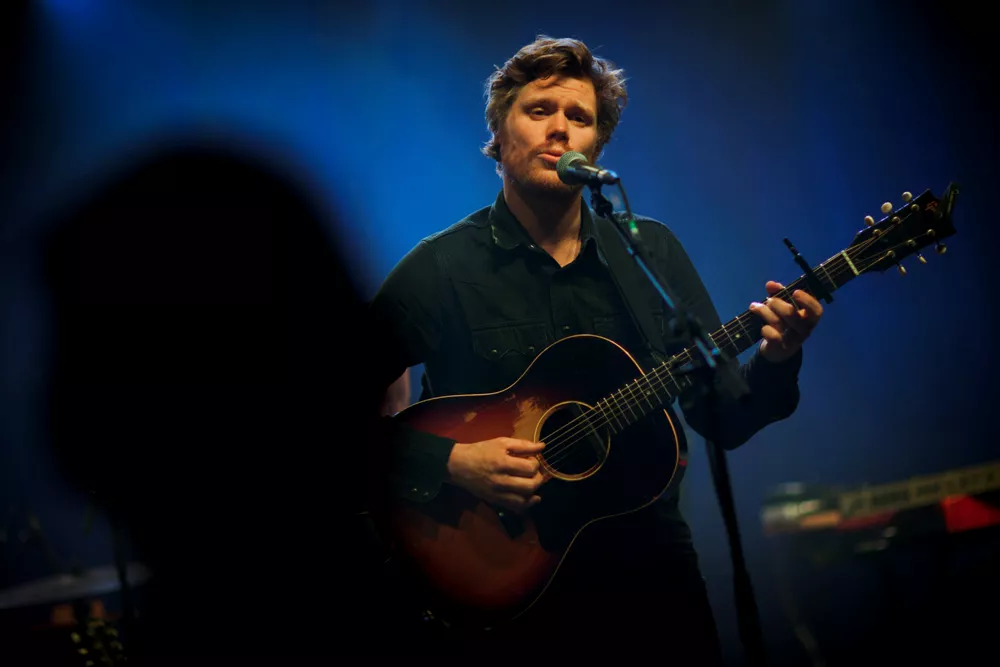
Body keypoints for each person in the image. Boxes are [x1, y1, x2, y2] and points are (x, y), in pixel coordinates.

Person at [367, 36, 824, 662]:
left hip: (650, 572)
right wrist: (451, 460)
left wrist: (778, 358)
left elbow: (724, 419)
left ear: (596, 147)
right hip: (499, 579)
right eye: (539, 110)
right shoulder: (441, 268)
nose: (559, 129)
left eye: (579, 117)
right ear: (498, 134)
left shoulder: (648, 252)